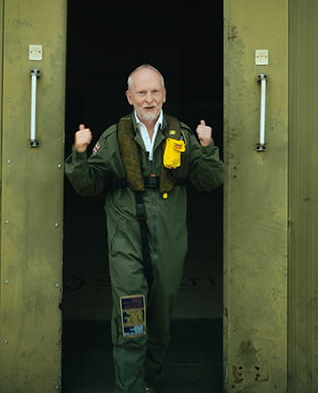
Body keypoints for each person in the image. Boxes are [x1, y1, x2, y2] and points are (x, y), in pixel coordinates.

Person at [65, 64, 224, 393]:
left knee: (160, 323)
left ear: (164, 95)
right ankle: (131, 387)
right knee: (132, 321)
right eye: (141, 93)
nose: (149, 99)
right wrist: (79, 155)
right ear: (129, 97)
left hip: (169, 240)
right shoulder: (114, 137)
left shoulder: (181, 135)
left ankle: (148, 379)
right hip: (127, 241)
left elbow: (209, 181)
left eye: (155, 92)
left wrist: (207, 148)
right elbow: (88, 186)